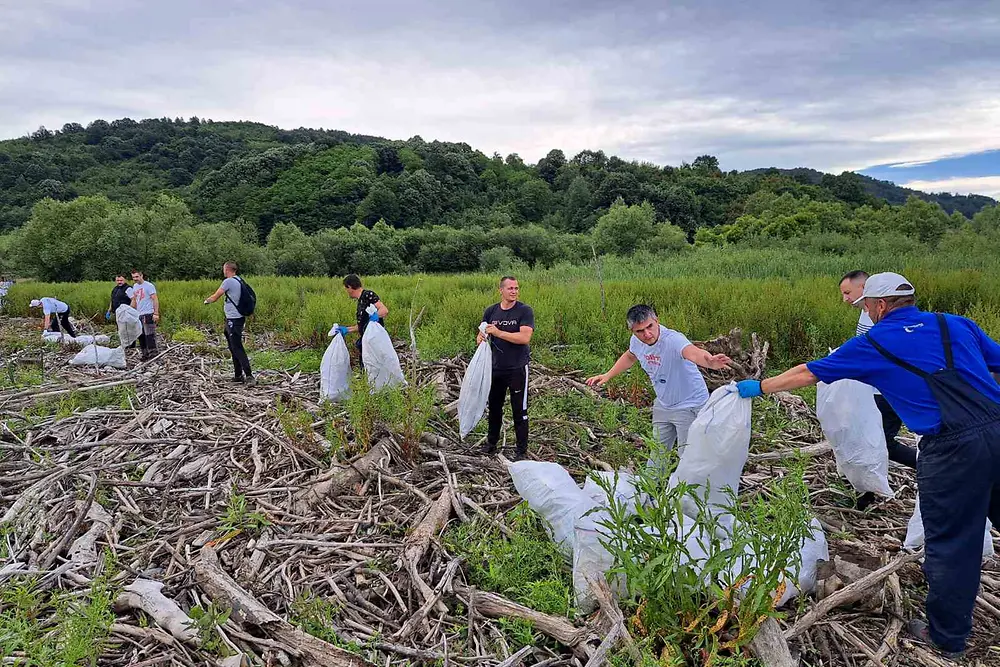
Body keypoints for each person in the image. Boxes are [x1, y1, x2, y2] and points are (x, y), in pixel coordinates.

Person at [736, 272, 1000, 659]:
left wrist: (759, 387)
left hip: (952, 451)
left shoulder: (874, 342)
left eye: (865, 306)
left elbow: (811, 372)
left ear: (877, 305)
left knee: (951, 545)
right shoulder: (956, 324)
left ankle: (947, 638)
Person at [586, 304, 731, 472]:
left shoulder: (673, 340)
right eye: (640, 331)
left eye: (650, 327)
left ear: (657, 321)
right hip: (663, 403)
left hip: (690, 405)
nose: (647, 334)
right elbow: (630, 356)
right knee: (657, 453)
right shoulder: (636, 341)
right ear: (632, 331)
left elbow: (692, 352)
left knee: (688, 454)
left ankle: (690, 493)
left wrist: (710, 362)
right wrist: (607, 375)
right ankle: (651, 490)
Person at [840, 270, 917, 509]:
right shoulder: (868, 315)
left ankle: (930, 463)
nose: (845, 299)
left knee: (881, 443)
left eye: (848, 292)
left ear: (867, 290)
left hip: (885, 393)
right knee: (865, 441)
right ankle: (865, 493)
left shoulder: (883, 319)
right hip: (869, 392)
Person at [477, 276, 534, 460]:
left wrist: (499, 332)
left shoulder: (524, 311)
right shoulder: (491, 311)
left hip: (517, 367)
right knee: (494, 407)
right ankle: (491, 444)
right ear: (500, 290)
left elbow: (524, 338)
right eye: (510, 288)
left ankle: (521, 451)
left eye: (516, 288)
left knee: (519, 410)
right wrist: (481, 338)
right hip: (496, 368)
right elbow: (482, 333)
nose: (514, 291)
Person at [204, 261, 255, 387]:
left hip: (234, 319)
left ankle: (249, 376)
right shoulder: (239, 280)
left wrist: (206, 301)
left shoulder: (228, 281)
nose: (223, 271)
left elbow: (216, 296)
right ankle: (238, 375)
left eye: (223, 269)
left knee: (237, 347)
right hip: (234, 318)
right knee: (233, 346)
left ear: (227, 269)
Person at [342, 274, 389, 368]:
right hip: (366, 343)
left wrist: (376, 316)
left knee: (375, 368)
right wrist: (347, 330)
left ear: (350, 287)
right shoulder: (360, 301)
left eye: (346, 288)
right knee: (366, 368)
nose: (346, 291)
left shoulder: (368, 295)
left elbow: (384, 310)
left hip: (375, 342)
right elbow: (363, 325)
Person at [127, 270, 160, 361]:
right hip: (139, 314)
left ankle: (153, 354)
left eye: (137, 277)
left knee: (149, 335)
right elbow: (135, 300)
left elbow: (155, 299)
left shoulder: (149, 286)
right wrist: (129, 310)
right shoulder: (135, 286)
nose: (135, 279)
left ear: (141, 276)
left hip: (148, 313)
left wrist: (156, 313)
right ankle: (145, 354)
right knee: (141, 335)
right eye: (133, 277)